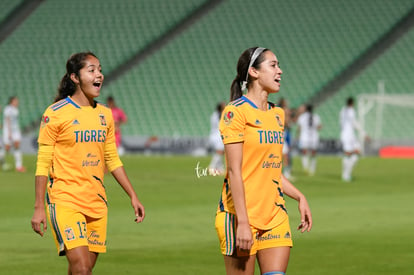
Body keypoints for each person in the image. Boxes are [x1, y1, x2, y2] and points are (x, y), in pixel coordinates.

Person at [30, 52, 145, 275]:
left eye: (99, 69)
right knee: (82, 268)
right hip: (65, 199)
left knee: (81, 269)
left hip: (96, 202)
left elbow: (112, 158)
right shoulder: (55, 114)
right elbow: (43, 163)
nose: (99, 74)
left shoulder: (105, 114)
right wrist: (38, 208)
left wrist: (133, 195)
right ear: (75, 77)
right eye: (91, 70)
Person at [215, 47, 312, 275]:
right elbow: (235, 171)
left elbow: (272, 170)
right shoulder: (235, 113)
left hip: (274, 214)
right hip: (239, 217)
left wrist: (300, 196)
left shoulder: (278, 114)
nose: (280, 71)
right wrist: (243, 223)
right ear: (254, 72)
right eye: (273, 65)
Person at [339, 97, 367, 182]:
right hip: (349, 135)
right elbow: (354, 123)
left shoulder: (342, 111)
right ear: (352, 103)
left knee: (353, 153)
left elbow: (341, 123)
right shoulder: (351, 111)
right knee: (352, 154)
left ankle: (346, 174)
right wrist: (363, 133)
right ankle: (346, 175)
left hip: (345, 134)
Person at [1, 96, 25, 172]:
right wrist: (9, 133)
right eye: (16, 101)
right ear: (12, 101)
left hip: (15, 131)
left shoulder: (16, 109)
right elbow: (7, 120)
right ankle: (2, 161)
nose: (17, 102)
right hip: (8, 131)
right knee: (7, 148)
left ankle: (19, 166)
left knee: (17, 146)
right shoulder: (8, 109)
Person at [297, 104, 322, 175]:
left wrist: (297, 136)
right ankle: (312, 169)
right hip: (314, 137)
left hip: (304, 137)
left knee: (304, 152)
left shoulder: (302, 117)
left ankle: (305, 167)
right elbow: (319, 127)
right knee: (313, 153)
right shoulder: (316, 116)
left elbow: (299, 127)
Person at [277, 98, 293, 180]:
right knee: (285, 155)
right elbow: (286, 123)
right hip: (282, 135)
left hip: (282, 134)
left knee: (283, 155)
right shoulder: (283, 111)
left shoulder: (278, 110)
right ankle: (286, 173)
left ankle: (285, 173)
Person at [208, 101, 226, 174]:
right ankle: (211, 166)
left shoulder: (214, 114)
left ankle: (220, 168)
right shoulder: (220, 115)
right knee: (220, 151)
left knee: (221, 152)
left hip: (214, 135)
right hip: (217, 136)